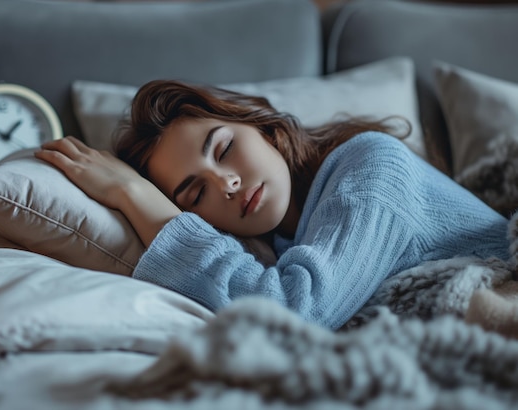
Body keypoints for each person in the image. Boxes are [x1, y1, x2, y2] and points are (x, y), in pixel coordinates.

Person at [34, 79, 510, 329]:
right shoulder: (283, 242)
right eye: (194, 193)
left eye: (222, 149)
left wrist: (133, 195)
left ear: (260, 126)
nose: (227, 182)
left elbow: (296, 310)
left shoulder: (371, 164)